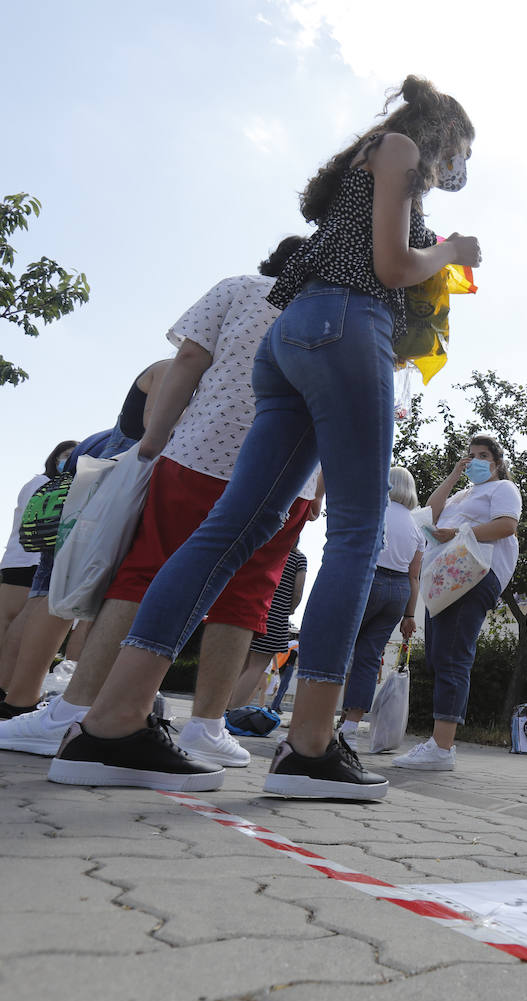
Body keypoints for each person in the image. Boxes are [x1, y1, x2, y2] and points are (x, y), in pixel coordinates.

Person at [49, 76, 481, 800]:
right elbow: (390, 268)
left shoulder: (366, 158)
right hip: (348, 324)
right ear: (443, 131)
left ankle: (111, 724)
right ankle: (310, 745)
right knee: (352, 534)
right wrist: (450, 251)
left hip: (292, 335)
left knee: (231, 529)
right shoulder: (403, 147)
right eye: (463, 148)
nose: (461, 163)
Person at [2, 243, 323, 765]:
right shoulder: (337, 316)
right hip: (290, 476)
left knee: (144, 573)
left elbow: (189, 360)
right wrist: (317, 492)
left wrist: (151, 441)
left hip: (201, 453)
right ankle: (207, 725)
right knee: (246, 596)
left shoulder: (239, 289)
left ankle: (70, 710)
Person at [0, 360, 173, 723]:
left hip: (96, 457)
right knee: (63, 595)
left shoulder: (165, 366)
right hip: (116, 470)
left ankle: (15, 697)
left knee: (46, 591)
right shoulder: (176, 366)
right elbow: (157, 432)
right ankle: (23, 701)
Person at [394, 434, 519, 770]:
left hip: (474, 573)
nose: (475, 460)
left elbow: (507, 526)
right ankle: (439, 741)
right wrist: (452, 477)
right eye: (471, 455)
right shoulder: (464, 493)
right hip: (444, 578)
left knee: (452, 656)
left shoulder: (503, 489)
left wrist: (461, 534)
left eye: (483, 456)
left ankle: (442, 746)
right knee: (438, 655)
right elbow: (429, 515)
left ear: (496, 462)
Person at [337, 467, 424, 743]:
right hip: (398, 591)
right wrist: (409, 614)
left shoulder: (376, 510)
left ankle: (317, 714)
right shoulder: (415, 527)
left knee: (338, 649)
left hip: (369, 579)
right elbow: (414, 576)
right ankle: (350, 728)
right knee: (369, 658)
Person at [0, 441, 76, 658]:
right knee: (9, 619)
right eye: (67, 455)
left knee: (24, 623)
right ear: (55, 458)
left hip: (40, 562)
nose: (70, 460)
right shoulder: (41, 482)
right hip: (24, 560)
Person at [229, 545, 309, 711]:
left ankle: (219, 709)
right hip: (275, 615)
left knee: (241, 665)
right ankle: (232, 712)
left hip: (252, 608)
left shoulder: (266, 547)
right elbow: (298, 591)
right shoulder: (298, 558)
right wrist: (291, 609)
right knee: (257, 666)